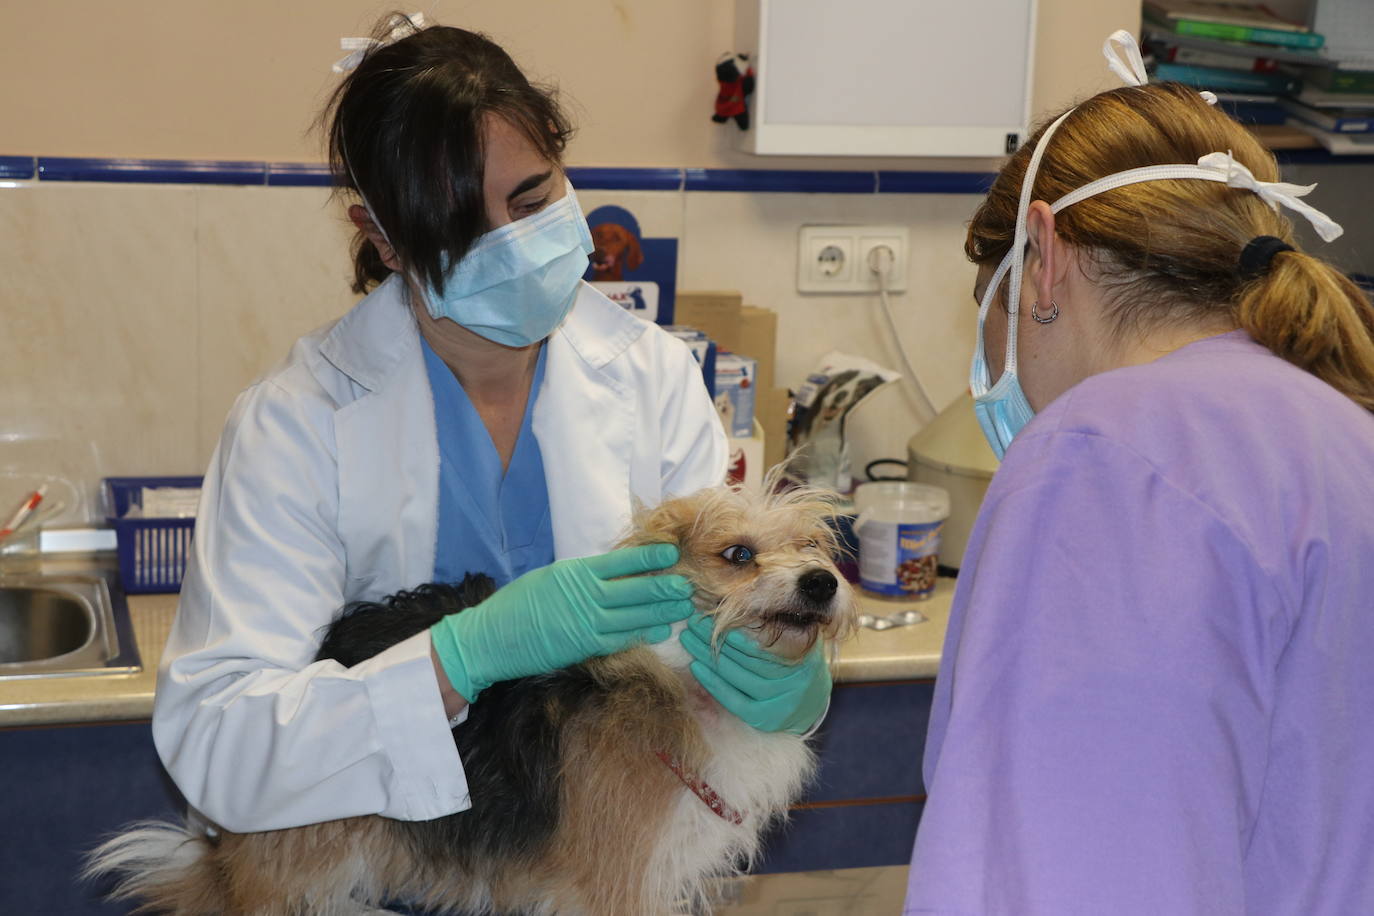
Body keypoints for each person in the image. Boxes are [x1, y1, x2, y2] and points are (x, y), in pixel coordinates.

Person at [152, 16, 832, 836]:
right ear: (386, 239)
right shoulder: (299, 421)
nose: (512, 243)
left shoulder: (650, 375)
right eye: (464, 226)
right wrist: (459, 657)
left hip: (586, 871)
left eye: (533, 197)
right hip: (363, 881)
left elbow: (705, 635)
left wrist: (783, 672)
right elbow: (221, 744)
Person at [905, 32, 1374, 916]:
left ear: (1041, 259)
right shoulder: (1340, 426)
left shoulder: (1102, 457)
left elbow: (1068, 876)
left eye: (990, 307)